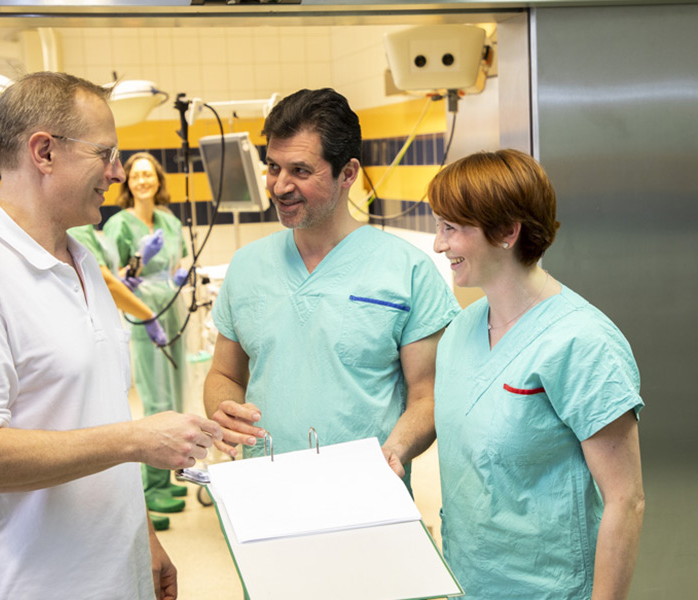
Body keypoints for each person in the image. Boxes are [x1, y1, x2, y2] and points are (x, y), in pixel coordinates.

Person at [0, 71, 222, 600]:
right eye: (105, 154)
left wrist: (139, 535)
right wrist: (138, 440)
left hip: (112, 573)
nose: (117, 172)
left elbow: (99, 415)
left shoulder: (80, 262)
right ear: (44, 152)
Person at [203, 88, 460, 488]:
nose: (279, 186)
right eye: (273, 167)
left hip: (365, 492)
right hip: (264, 490)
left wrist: (394, 451)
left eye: (300, 171)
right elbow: (224, 372)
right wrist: (224, 410)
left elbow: (427, 396)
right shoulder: (248, 266)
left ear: (348, 173)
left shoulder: (406, 271)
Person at [428, 149, 645, 599]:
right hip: (465, 581)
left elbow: (626, 501)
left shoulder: (581, 343)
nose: (439, 244)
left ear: (507, 231)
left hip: (549, 589)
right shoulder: (462, 330)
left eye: (451, 228)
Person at [68, 222, 174, 530]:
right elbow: (107, 282)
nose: (116, 174)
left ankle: (151, 492)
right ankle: (153, 486)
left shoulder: (86, 234)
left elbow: (113, 279)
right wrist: (148, 314)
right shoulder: (83, 232)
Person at [103, 152, 190, 515]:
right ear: (128, 181)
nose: (142, 180)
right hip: (143, 313)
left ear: (157, 180)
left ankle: (169, 476)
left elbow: (182, 256)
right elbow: (112, 276)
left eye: (148, 174)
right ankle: (152, 486)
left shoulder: (168, 220)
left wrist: (182, 273)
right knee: (154, 397)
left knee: (176, 390)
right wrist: (138, 259)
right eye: (136, 174)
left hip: (171, 308)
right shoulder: (119, 225)